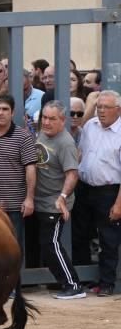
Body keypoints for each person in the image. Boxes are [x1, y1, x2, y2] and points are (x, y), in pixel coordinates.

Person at [34, 101, 85, 300]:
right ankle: (62, 282)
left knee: (51, 243)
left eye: (51, 119)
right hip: (39, 199)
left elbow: (72, 174)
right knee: (46, 245)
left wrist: (62, 198)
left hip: (54, 202)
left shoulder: (65, 143)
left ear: (62, 121)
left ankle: (73, 285)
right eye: (44, 118)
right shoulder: (43, 133)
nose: (46, 122)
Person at [72, 90, 121, 296]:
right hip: (84, 188)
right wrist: (90, 103)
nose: (101, 111)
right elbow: (80, 149)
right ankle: (86, 278)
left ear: (118, 110)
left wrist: (119, 204)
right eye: (99, 107)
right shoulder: (90, 126)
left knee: (108, 238)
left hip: (109, 191)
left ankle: (107, 283)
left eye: (106, 107)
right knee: (80, 233)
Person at [0, 94, 37, 253]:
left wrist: (29, 199)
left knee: (13, 249)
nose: (0, 113)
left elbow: (30, 168)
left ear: (12, 112)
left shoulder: (23, 137)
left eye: (5, 109)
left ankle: (14, 279)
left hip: (15, 206)